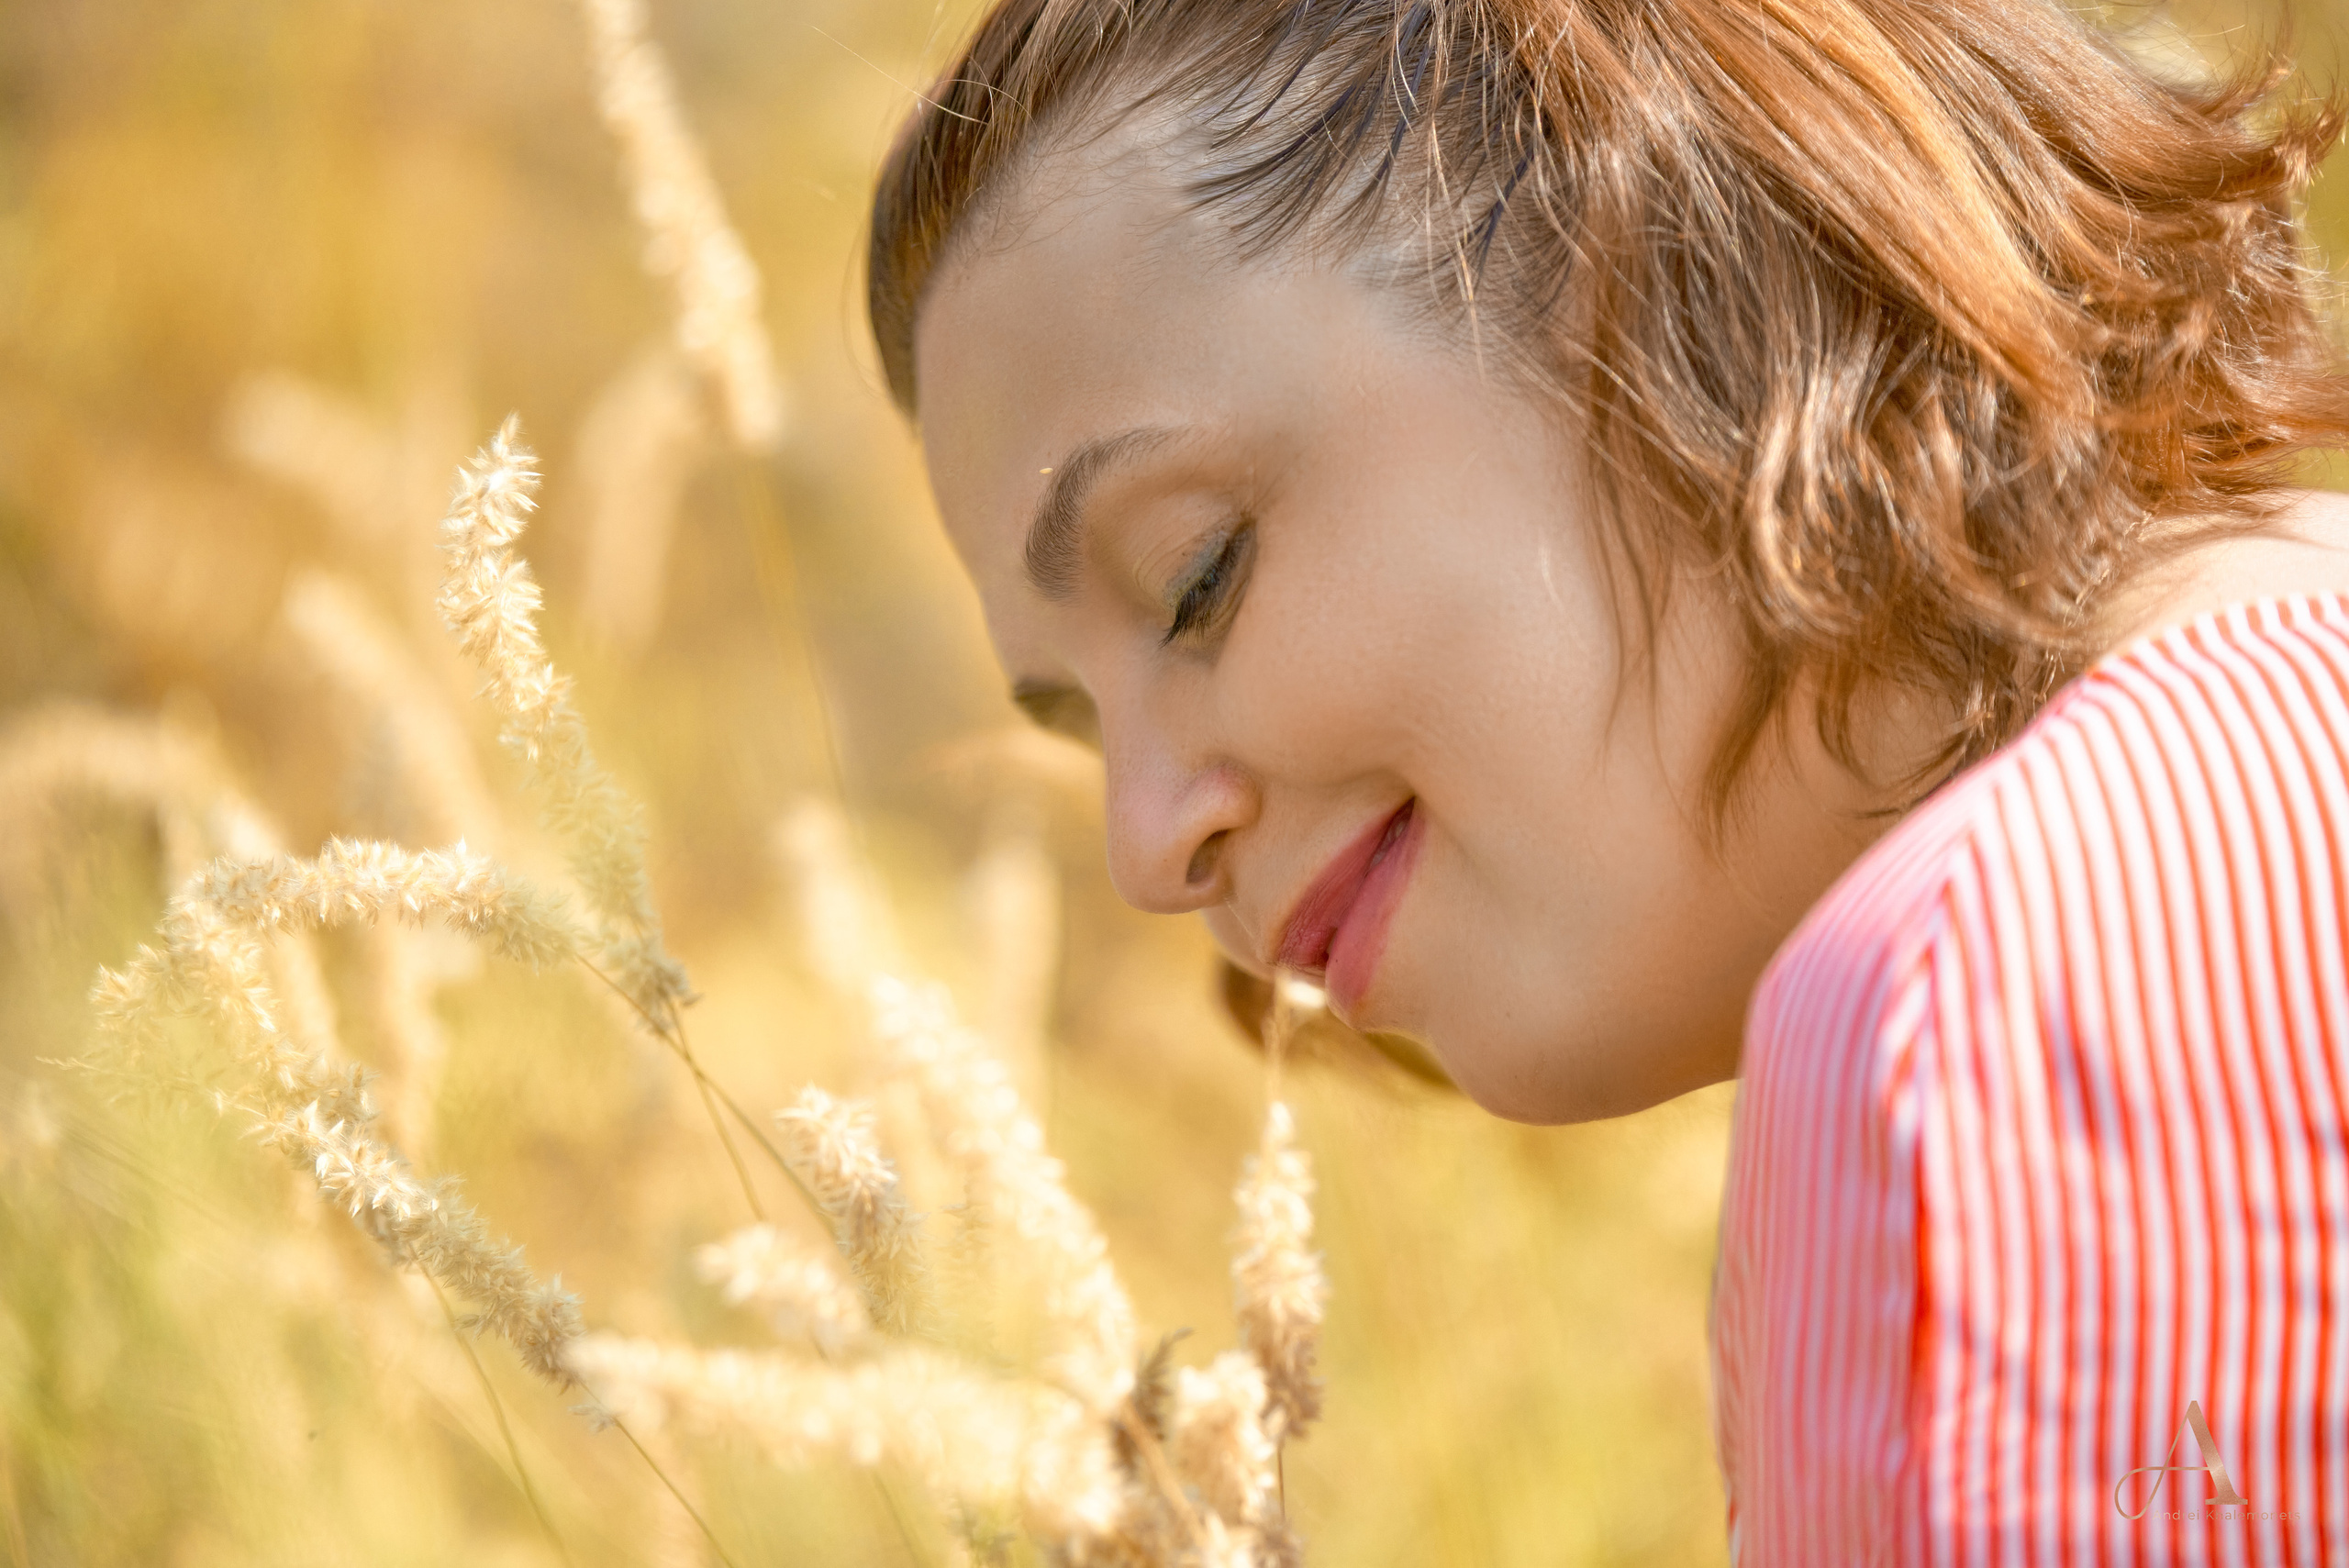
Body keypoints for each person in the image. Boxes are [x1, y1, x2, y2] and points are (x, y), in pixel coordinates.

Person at [866, 0, 2349, 1559]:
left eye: (1193, 578)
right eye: (1085, 729)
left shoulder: (1985, 997)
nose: (1145, 845)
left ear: (1648, 244)